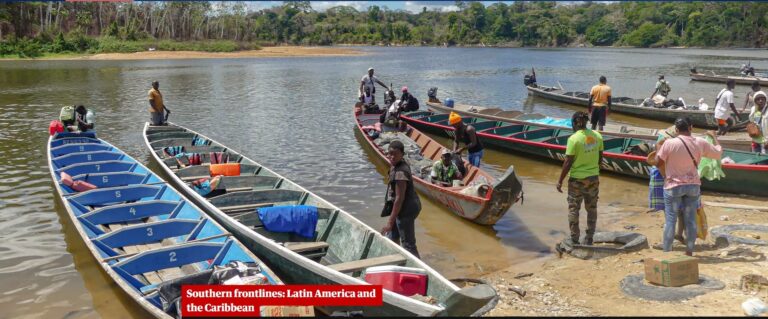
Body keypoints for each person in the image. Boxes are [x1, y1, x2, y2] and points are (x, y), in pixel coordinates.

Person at [655, 118, 723, 256]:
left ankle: (667, 253)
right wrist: (715, 137)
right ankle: (689, 252)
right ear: (691, 127)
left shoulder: (669, 143)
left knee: (670, 220)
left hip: (673, 186)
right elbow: (718, 153)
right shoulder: (700, 142)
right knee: (690, 219)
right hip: (693, 186)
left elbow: (657, 162)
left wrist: (659, 150)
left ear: (676, 130)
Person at [556, 111, 604, 246]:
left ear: (575, 123)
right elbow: (600, 159)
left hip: (576, 180)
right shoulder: (598, 136)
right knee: (592, 208)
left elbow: (568, 162)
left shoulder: (573, 139)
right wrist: (594, 172)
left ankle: (574, 239)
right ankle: (589, 238)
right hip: (593, 179)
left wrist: (560, 181)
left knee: (573, 209)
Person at [380, 140, 421, 258]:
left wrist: (389, 222)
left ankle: (420, 269)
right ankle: (397, 259)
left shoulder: (400, 173)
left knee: (408, 244)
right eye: (390, 153)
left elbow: (399, 198)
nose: (391, 156)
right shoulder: (397, 165)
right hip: (405, 205)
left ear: (402, 154)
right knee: (393, 236)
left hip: (406, 209)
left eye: (395, 154)